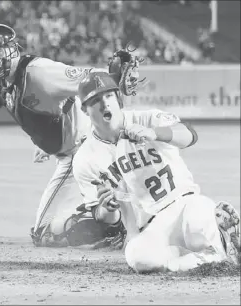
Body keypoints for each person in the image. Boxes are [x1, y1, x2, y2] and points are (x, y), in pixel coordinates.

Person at [0, 23, 129, 248]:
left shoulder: (38, 72)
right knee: (50, 231)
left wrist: (115, 76)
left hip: (79, 151)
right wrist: (45, 139)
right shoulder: (5, 82)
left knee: (46, 233)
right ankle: (114, 218)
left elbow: (87, 80)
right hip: (69, 150)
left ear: (11, 50)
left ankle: (115, 225)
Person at [73, 71, 240, 272]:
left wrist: (155, 133)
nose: (104, 104)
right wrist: (108, 206)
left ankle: (212, 243)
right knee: (138, 258)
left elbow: (189, 135)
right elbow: (108, 220)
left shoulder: (147, 119)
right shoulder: (85, 158)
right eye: (95, 100)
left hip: (184, 203)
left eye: (108, 96)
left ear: (118, 98)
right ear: (85, 109)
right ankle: (214, 254)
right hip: (152, 227)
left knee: (200, 221)